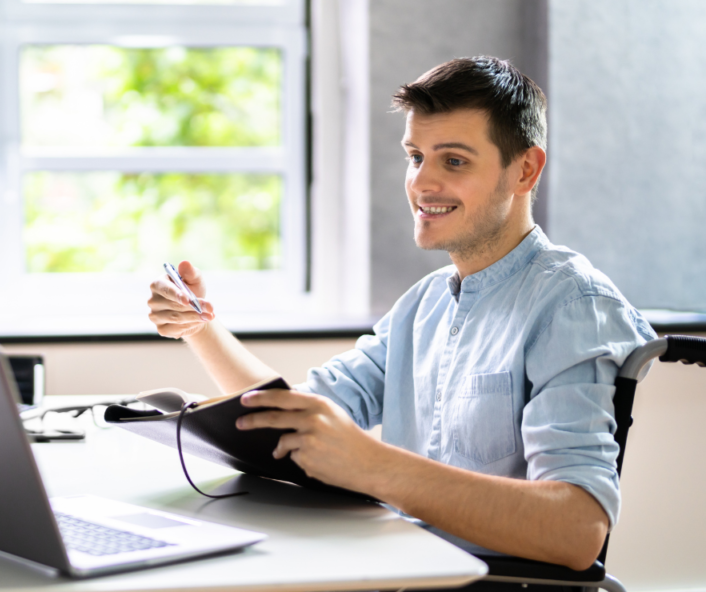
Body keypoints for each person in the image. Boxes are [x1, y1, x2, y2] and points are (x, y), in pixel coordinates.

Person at [146, 56, 655, 572]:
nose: (422, 183)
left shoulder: (574, 307)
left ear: (524, 169)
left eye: (453, 161)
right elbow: (288, 414)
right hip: (396, 568)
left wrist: (372, 467)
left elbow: (576, 530)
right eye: (416, 157)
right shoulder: (424, 304)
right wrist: (202, 328)